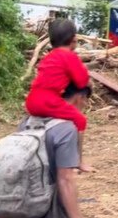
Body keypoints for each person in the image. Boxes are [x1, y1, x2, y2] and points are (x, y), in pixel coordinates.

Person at [6, 82, 92, 218]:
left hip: (19, 215)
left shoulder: (28, 121)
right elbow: (65, 179)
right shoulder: (66, 128)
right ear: (80, 98)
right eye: (85, 100)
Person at [25, 19, 93, 172]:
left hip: (32, 100)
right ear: (73, 39)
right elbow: (82, 81)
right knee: (80, 120)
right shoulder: (69, 56)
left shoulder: (49, 56)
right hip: (48, 100)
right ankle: (78, 162)